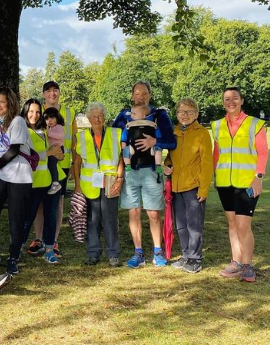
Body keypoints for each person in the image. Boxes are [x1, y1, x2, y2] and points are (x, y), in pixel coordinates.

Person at [112, 81, 176, 268]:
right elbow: (114, 138)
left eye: (145, 93)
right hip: (131, 172)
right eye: (137, 93)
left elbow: (172, 142)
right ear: (132, 95)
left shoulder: (159, 115)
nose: (141, 96)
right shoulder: (125, 115)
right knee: (133, 212)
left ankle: (158, 252)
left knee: (153, 213)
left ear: (150, 95)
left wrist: (155, 141)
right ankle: (138, 252)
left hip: (151, 171)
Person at [212, 87, 268, 282]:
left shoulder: (255, 124)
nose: (231, 102)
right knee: (233, 224)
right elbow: (217, 153)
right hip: (225, 182)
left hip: (247, 182)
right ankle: (235, 262)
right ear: (223, 102)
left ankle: (247, 265)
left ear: (242, 101)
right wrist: (215, 175)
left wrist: (258, 177)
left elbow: (262, 152)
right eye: (227, 99)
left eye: (235, 98)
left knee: (243, 226)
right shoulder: (217, 125)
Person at [0, 87, 33, 275]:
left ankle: (13, 257)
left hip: (20, 175)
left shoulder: (17, 121)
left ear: (10, 103)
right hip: (1, 173)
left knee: (15, 219)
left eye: (2, 102)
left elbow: (13, 150)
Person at [163, 98, 213, 274]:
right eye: (181, 112)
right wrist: (166, 165)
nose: (184, 115)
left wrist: (204, 189)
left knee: (194, 225)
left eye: (189, 112)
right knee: (181, 225)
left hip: (193, 187)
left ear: (196, 114)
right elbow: (170, 156)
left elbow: (207, 164)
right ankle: (185, 255)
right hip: (176, 186)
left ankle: (195, 258)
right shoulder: (174, 132)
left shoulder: (202, 133)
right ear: (176, 114)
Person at [74, 103, 124, 267]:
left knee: (110, 219)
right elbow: (77, 162)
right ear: (88, 119)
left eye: (100, 115)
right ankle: (93, 253)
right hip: (90, 185)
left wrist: (120, 179)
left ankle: (113, 254)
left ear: (104, 117)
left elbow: (120, 159)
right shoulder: (81, 136)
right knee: (92, 220)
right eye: (94, 116)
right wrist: (77, 185)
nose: (97, 119)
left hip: (110, 184)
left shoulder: (115, 133)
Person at [20, 99, 64, 264]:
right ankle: (17, 249)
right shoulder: (21, 130)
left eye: (38, 112)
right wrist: (49, 152)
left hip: (50, 180)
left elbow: (57, 153)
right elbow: (26, 155)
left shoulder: (44, 129)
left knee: (50, 216)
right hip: (32, 181)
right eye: (31, 111)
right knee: (28, 216)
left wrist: (59, 154)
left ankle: (50, 250)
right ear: (25, 111)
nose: (34, 115)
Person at [42, 81, 77, 258]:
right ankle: (39, 239)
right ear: (43, 95)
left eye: (56, 90)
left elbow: (74, 140)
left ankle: (54, 240)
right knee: (40, 203)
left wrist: (72, 164)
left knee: (59, 202)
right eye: (48, 91)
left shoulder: (69, 113)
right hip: (41, 164)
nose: (52, 94)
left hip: (62, 165)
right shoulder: (37, 111)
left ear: (60, 93)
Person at [121, 103, 163, 175]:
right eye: (131, 113)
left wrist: (155, 141)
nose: (131, 115)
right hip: (133, 148)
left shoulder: (153, 125)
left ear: (143, 116)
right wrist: (123, 144)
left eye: (134, 113)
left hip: (150, 149)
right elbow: (124, 137)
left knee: (158, 148)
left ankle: (158, 165)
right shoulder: (129, 125)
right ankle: (128, 165)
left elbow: (159, 137)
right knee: (126, 150)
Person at [44, 107, 66, 195]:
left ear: (57, 118)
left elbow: (60, 136)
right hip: (52, 149)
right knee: (50, 164)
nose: (50, 121)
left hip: (58, 149)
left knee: (52, 164)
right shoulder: (49, 128)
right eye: (47, 118)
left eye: (52, 118)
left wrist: (48, 133)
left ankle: (55, 182)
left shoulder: (59, 127)